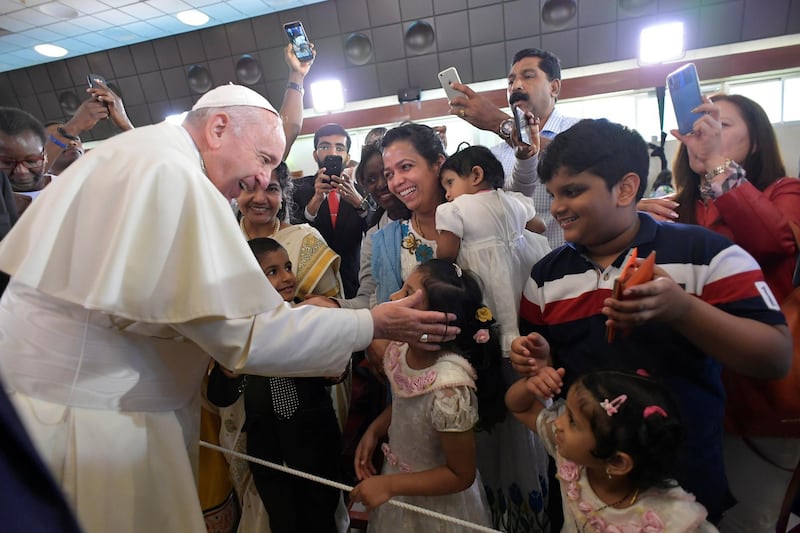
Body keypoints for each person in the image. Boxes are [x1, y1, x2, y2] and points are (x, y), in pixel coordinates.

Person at [0, 84, 455, 533]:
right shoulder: (172, 174)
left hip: (80, 405)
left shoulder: (144, 156)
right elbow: (250, 332)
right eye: (263, 159)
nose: (262, 179)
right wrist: (372, 322)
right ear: (218, 128)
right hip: (89, 421)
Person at [510, 118, 791, 524]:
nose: (556, 208)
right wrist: (536, 360)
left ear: (625, 188)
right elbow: (541, 374)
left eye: (572, 191)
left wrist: (683, 310)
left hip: (684, 491)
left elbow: (775, 356)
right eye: (553, 194)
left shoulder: (706, 254)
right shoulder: (545, 277)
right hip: (585, 496)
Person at [669, 93, 800, 533]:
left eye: (721, 125)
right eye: (699, 126)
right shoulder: (675, 206)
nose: (705, 134)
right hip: (689, 395)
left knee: (751, 521)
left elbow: (772, 241)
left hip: (757, 391)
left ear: (757, 141)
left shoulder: (784, 192)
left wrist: (718, 166)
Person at [349, 259, 504, 532]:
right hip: (397, 482)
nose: (393, 298)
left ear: (437, 320)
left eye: (408, 295)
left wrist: (390, 485)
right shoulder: (400, 349)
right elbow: (408, 399)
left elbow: (460, 474)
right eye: (402, 289)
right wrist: (375, 430)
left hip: (438, 507)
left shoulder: (449, 388)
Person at [208, 238, 343, 533]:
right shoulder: (240, 332)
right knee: (281, 519)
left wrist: (335, 370)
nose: (286, 277)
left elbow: (335, 369)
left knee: (321, 517)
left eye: (288, 267)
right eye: (271, 272)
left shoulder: (307, 317)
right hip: (266, 447)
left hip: (316, 441)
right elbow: (219, 394)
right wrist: (229, 372)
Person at [506, 368, 718, 532]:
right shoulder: (575, 459)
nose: (558, 423)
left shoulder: (674, 519)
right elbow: (519, 406)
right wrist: (530, 385)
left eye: (572, 420)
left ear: (617, 462)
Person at [448, 48, 579, 248]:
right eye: (510, 82)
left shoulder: (579, 130)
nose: (516, 86)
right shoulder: (496, 155)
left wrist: (501, 124)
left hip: (576, 267)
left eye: (528, 76)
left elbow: (582, 161)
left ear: (554, 87)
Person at [437, 144, 551, 355]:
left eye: (450, 183)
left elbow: (445, 254)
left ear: (476, 175)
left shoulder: (455, 209)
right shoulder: (513, 200)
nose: (447, 194)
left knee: (494, 336)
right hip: (523, 281)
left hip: (488, 287)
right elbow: (539, 227)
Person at [291, 123, 369, 298]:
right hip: (311, 284)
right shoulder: (297, 189)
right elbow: (293, 233)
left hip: (352, 283)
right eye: (324, 146)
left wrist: (358, 203)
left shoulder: (362, 191)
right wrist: (316, 200)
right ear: (315, 154)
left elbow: (374, 229)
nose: (332, 153)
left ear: (347, 157)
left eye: (339, 148)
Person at [44, 79, 134, 174]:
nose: (72, 142)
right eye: (56, 138)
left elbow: (146, 159)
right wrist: (74, 126)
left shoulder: (107, 173)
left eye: (75, 138)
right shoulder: (42, 186)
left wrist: (125, 125)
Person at [0, 107, 50, 215]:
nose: (22, 171)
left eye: (31, 161)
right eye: (7, 162)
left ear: (45, 155)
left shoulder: (74, 188)